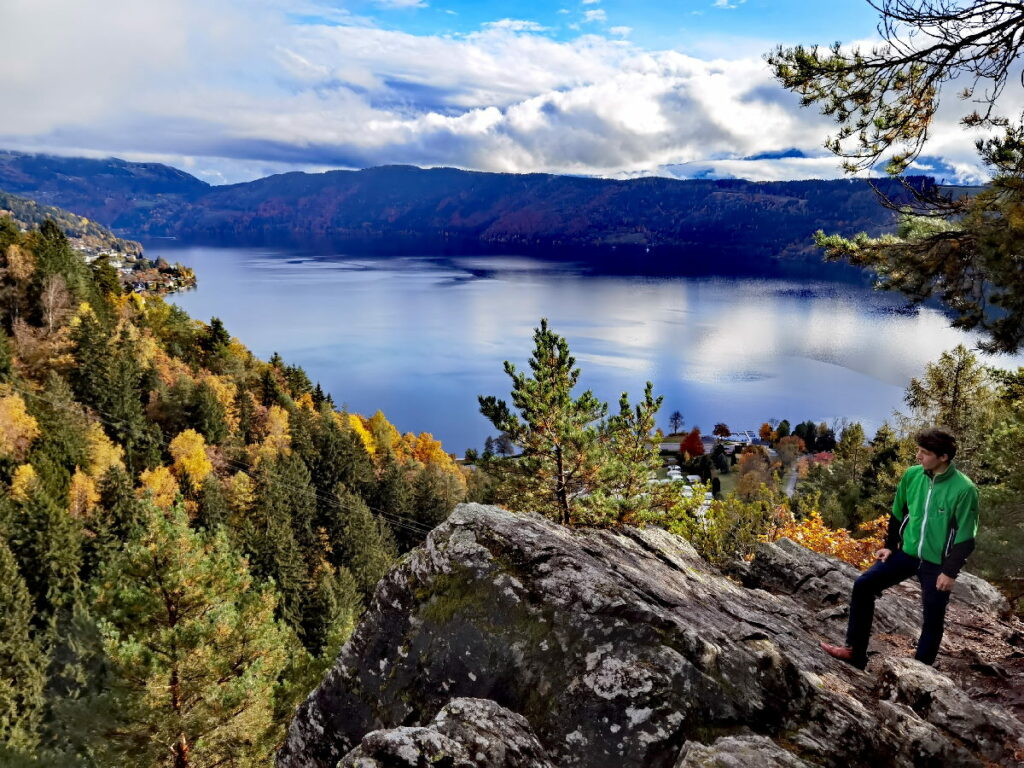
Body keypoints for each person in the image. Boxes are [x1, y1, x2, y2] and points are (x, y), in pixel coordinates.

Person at [820, 427, 979, 669]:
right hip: (907, 554)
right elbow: (898, 513)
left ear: (943, 457)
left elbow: (966, 537)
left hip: (937, 563)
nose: (918, 456)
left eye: (924, 452)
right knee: (864, 585)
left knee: (933, 617)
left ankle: (919, 673)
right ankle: (855, 652)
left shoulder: (964, 489)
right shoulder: (912, 475)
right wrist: (890, 546)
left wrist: (950, 571)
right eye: (919, 451)